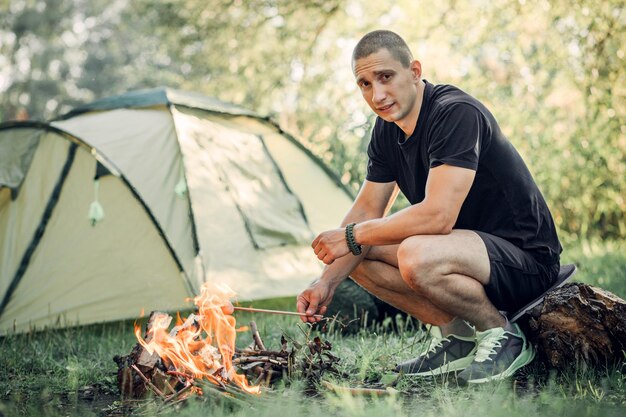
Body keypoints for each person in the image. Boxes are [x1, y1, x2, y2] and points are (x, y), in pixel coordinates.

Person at [296, 30, 562, 384]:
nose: (377, 95)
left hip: (525, 261)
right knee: (355, 253)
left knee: (412, 253)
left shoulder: (455, 113)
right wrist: (326, 282)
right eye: (364, 84)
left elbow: (438, 215)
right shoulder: (386, 130)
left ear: (415, 71)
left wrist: (350, 235)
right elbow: (366, 211)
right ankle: (457, 339)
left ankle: (502, 335)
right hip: (464, 252)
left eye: (385, 77)